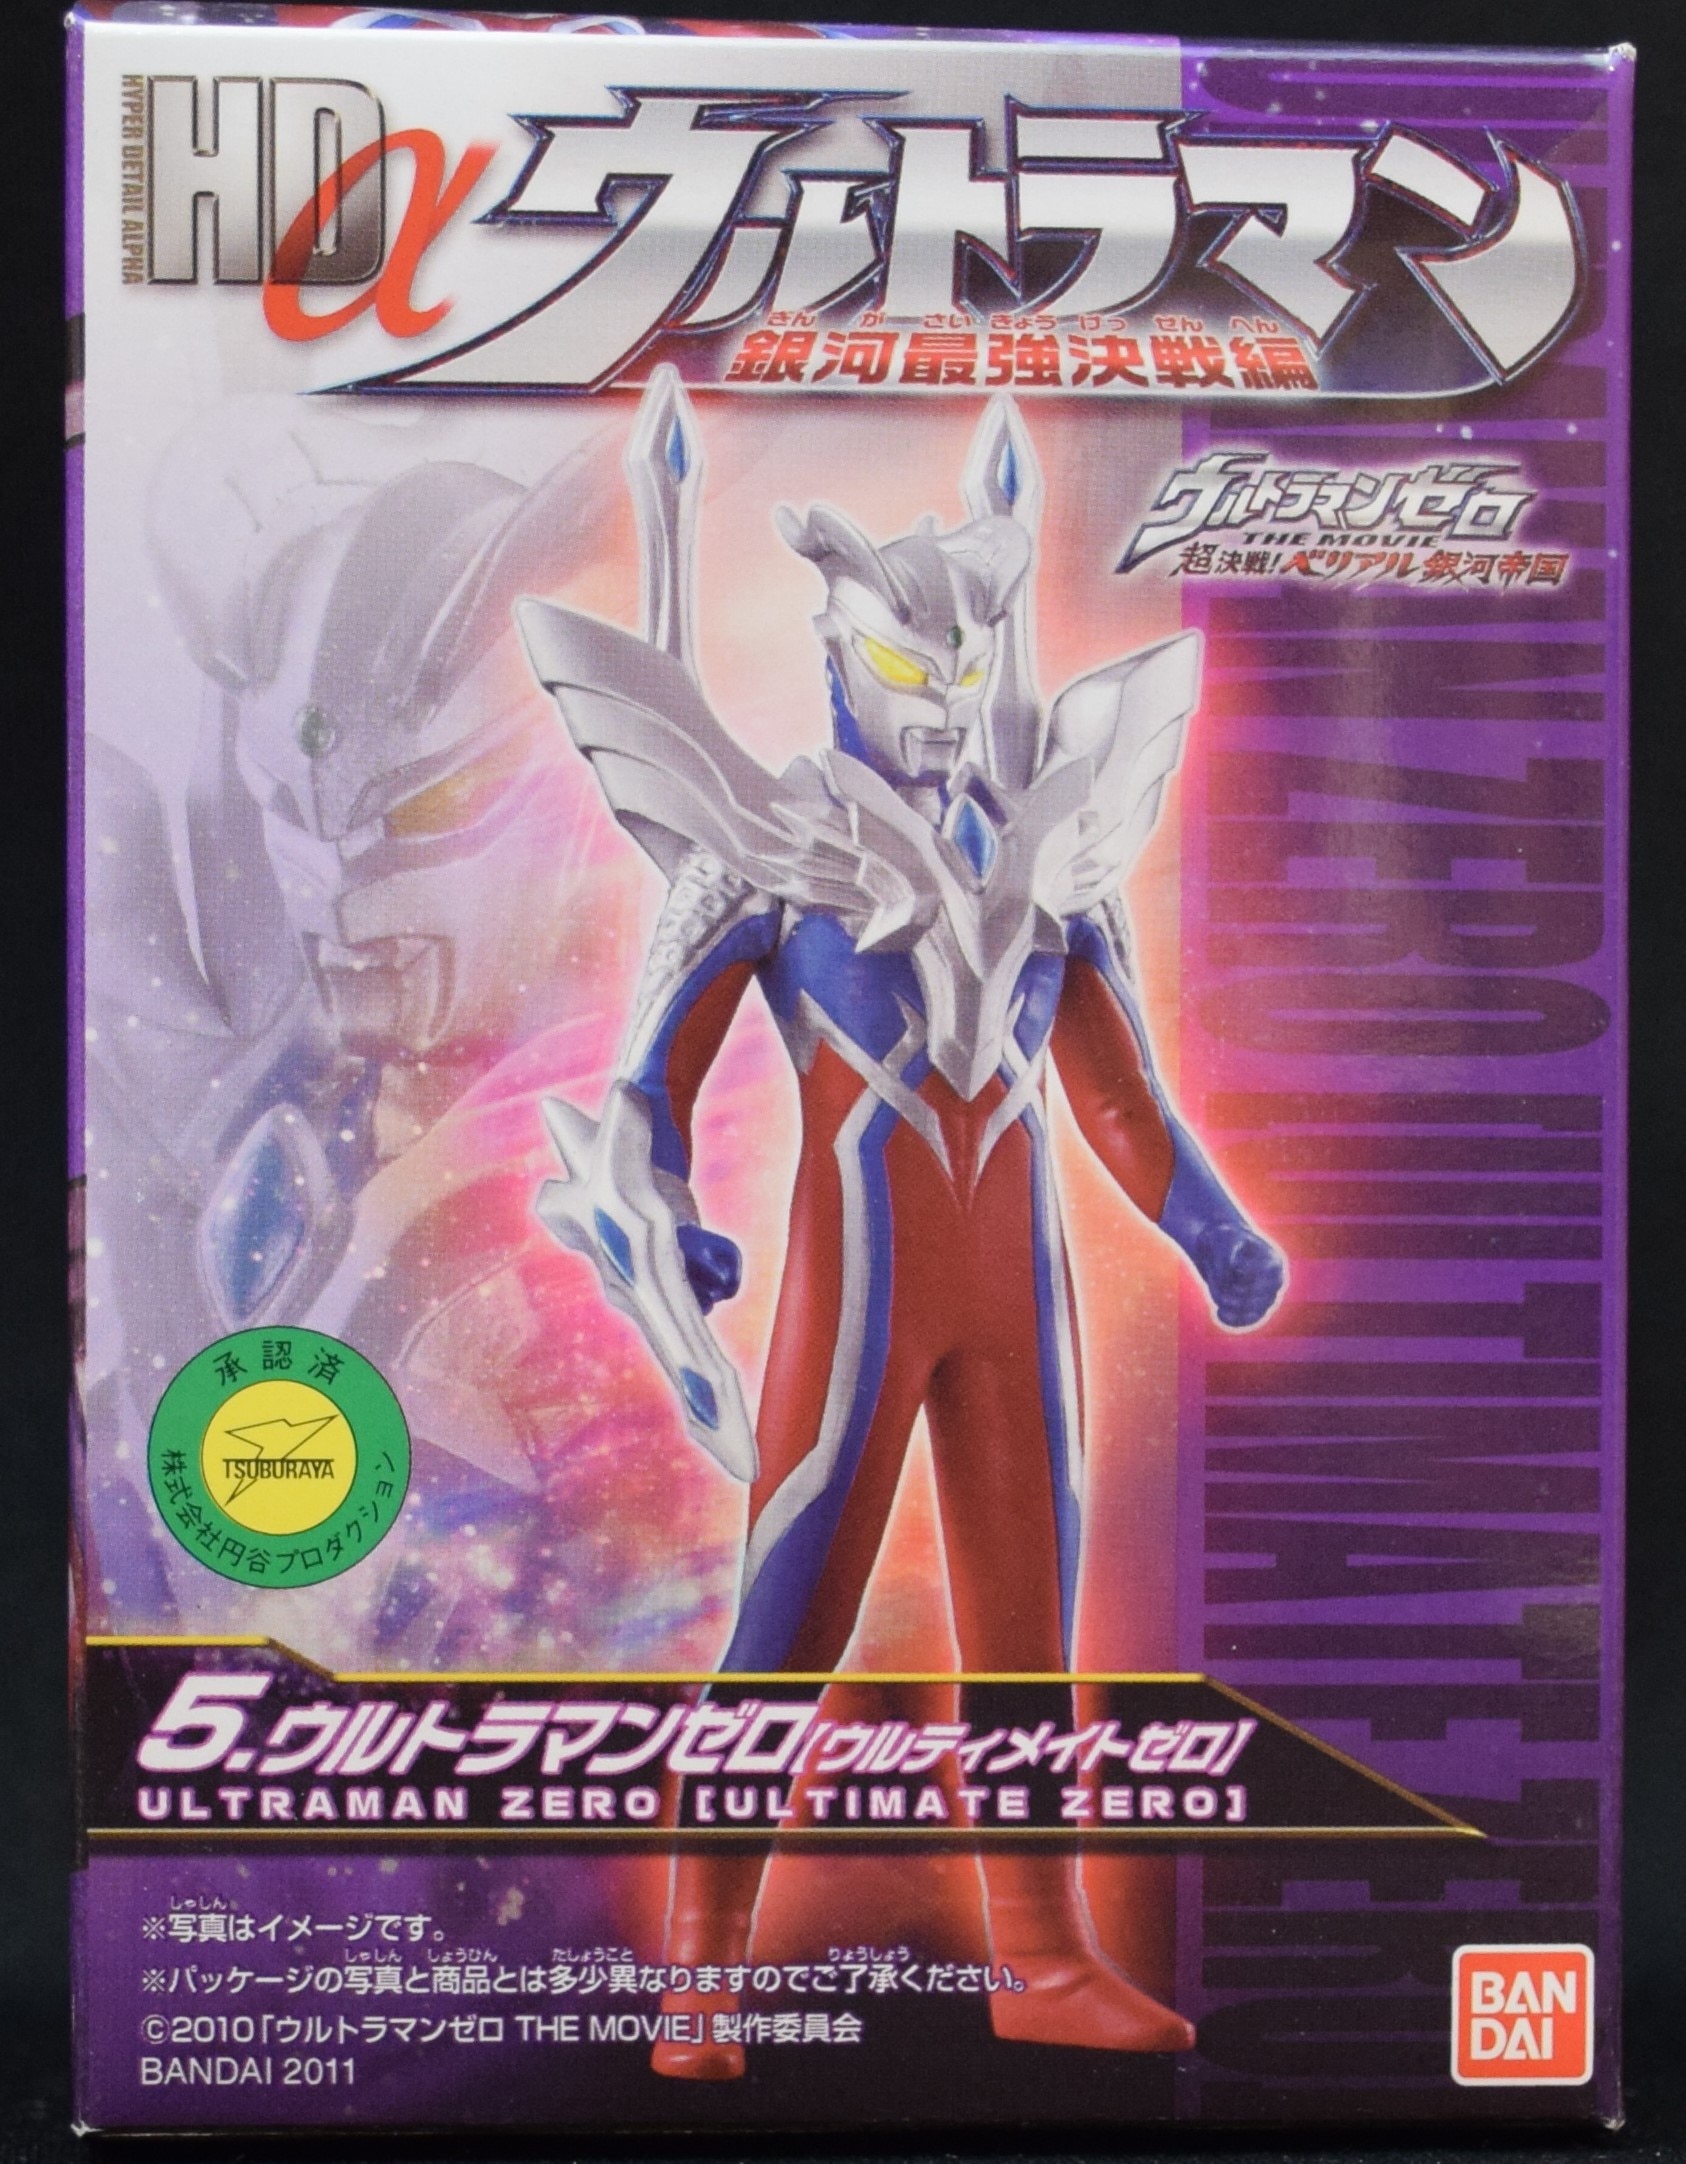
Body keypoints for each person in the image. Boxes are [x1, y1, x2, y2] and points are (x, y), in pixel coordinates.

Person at [520, 371, 1286, 2074]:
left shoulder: (1057, 859)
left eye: (960, 666)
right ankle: (700, 1970)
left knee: (1026, 1632)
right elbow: (644, 1083)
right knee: (787, 1617)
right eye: (903, 666)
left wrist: (1211, 1230)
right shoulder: (761, 848)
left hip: (1018, 1292)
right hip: (856, 1294)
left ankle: (1042, 1960)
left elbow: (1121, 1101)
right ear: (837, 654)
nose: (940, 706)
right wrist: (659, 1215)